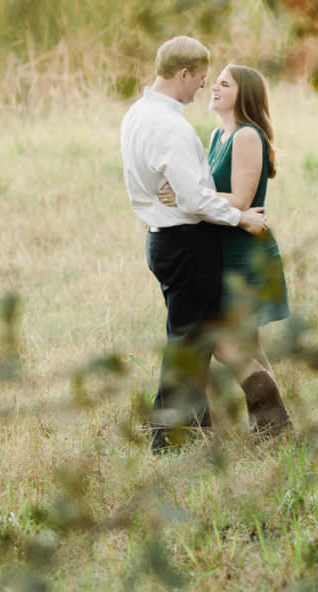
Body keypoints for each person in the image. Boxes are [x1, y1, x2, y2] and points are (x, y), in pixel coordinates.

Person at [120, 36, 266, 454]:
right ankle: (166, 438)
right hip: (185, 243)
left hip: (163, 240)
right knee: (186, 342)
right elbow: (195, 199)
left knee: (193, 338)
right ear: (183, 74)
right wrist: (241, 216)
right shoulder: (171, 126)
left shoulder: (137, 114)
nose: (202, 87)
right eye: (200, 79)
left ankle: (196, 427)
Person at [159, 63, 292, 438]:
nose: (213, 88)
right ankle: (277, 427)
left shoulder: (247, 136)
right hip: (223, 249)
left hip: (245, 253)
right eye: (214, 82)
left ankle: (274, 421)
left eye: (224, 84)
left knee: (221, 338)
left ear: (243, 94)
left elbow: (241, 199)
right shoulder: (220, 135)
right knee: (246, 341)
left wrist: (188, 196)